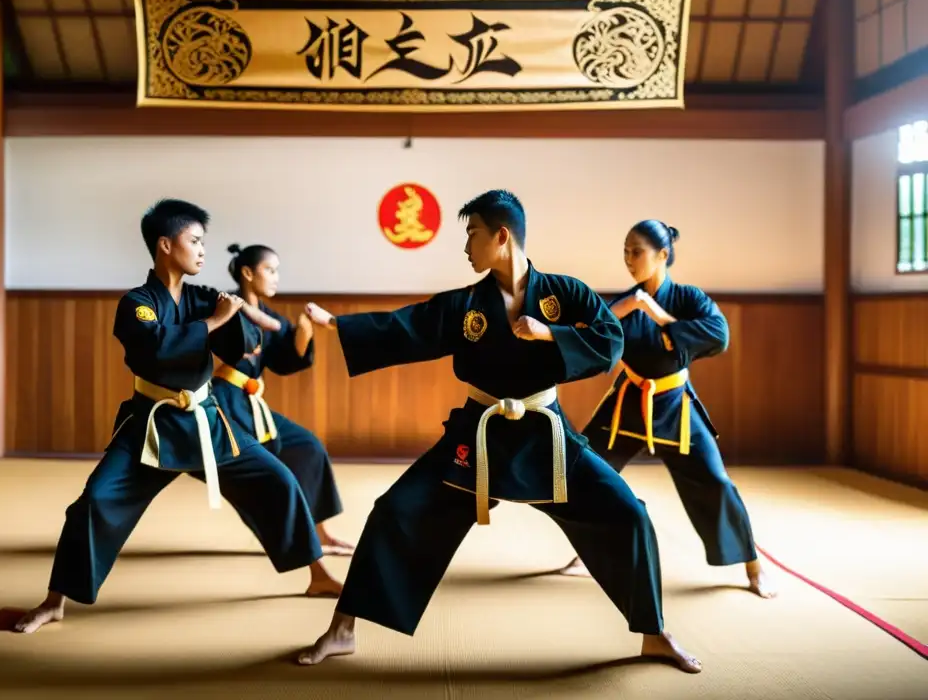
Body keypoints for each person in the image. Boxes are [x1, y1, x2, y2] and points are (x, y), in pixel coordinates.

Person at [295, 190, 702, 674]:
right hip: (477, 436)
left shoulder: (565, 293)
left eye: (472, 234)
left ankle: (653, 635)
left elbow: (609, 341)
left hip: (548, 436)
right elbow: (407, 326)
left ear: (501, 236)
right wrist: (337, 325)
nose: (466, 247)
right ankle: (341, 630)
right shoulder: (466, 304)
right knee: (393, 512)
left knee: (627, 513)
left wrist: (550, 333)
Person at [13, 199, 340, 634]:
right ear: (165, 245)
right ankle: (55, 600)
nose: (203, 250)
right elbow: (152, 348)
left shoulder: (205, 297)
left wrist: (235, 317)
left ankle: (317, 576)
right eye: (195, 241)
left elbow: (240, 344)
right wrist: (213, 323)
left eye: (204, 242)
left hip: (208, 421)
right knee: (94, 503)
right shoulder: (137, 303)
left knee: (278, 481)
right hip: (152, 425)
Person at [556, 220, 774, 599]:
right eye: (625, 251)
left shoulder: (689, 299)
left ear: (662, 255)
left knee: (715, 482)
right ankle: (586, 551)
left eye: (636, 251)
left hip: (674, 406)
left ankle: (752, 564)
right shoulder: (626, 300)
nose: (628, 259)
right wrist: (628, 305)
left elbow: (718, 335)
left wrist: (656, 313)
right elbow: (590, 332)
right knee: (581, 470)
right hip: (627, 403)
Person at [210, 243, 353, 556]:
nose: (276, 278)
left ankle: (320, 532)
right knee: (261, 474)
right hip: (224, 405)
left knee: (307, 447)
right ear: (248, 273)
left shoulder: (268, 314)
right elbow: (233, 347)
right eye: (270, 270)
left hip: (250, 403)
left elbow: (285, 359)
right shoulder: (225, 307)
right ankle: (294, 542)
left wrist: (303, 331)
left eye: (277, 271)